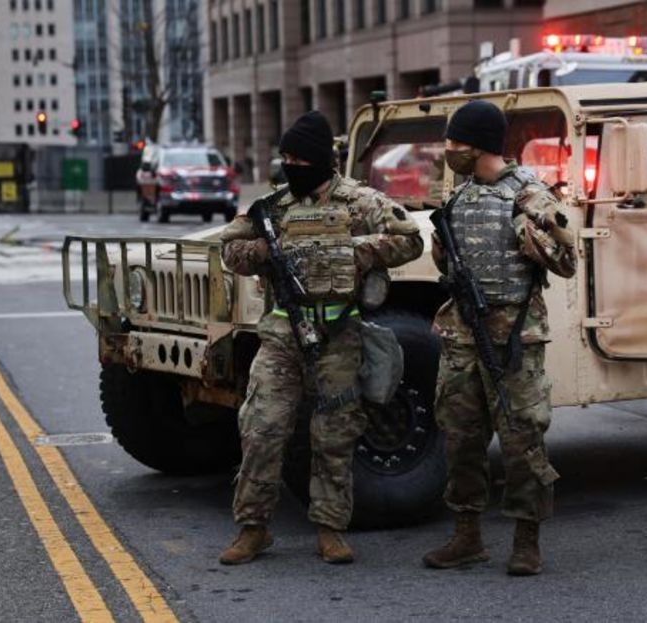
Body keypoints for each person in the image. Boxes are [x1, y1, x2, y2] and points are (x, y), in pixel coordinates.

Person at [218, 111, 423, 565]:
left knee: (334, 434)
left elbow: (410, 239)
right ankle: (253, 527)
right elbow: (230, 248)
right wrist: (268, 255)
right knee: (262, 427)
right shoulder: (272, 207)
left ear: (317, 160)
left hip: (337, 336)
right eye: (285, 157)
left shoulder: (357, 201)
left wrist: (356, 252)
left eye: (298, 158)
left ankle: (330, 528)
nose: (290, 165)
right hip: (281, 337)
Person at [422, 100, 577, 576]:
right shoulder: (459, 197)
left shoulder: (529, 194)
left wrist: (532, 239)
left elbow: (568, 260)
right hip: (463, 334)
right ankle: (467, 536)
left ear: (480, 144)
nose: (448, 151)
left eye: (455, 144)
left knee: (522, 438)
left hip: (514, 337)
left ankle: (526, 540)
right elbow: (446, 266)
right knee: (461, 439)